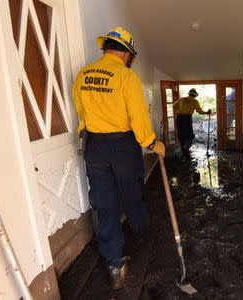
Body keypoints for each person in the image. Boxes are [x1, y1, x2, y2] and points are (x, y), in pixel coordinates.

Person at [72, 26, 165, 289]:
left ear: (107, 48)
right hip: (123, 146)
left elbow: (82, 113)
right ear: (127, 54)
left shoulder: (82, 74)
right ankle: (140, 232)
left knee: (104, 202)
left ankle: (114, 263)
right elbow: (138, 118)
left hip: (94, 147)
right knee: (132, 190)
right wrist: (152, 143)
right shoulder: (126, 77)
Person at [173, 88, 211, 157]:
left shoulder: (181, 99)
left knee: (181, 134)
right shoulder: (194, 101)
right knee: (190, 135)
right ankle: (186, 147)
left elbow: (174, 106)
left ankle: (184, 151)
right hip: (187, 118)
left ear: (189, 94)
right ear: (195, 95)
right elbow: (199, 111)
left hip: (179, 118)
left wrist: (180, 110)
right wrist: (207, 112)